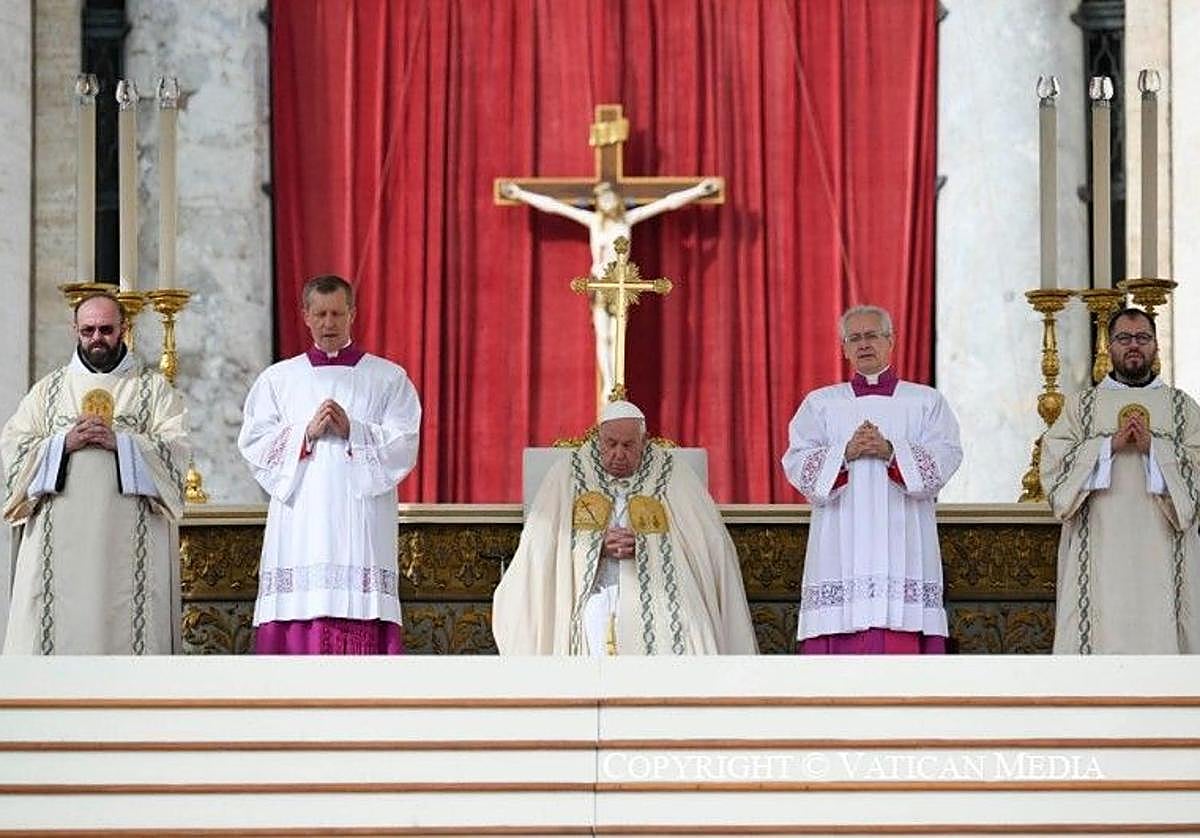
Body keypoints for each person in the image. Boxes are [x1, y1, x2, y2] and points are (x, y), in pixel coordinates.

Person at [238, 274, 421, 654]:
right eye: (320, 314)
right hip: (300, 523)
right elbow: (254, 442)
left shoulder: (387, 378)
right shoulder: (278, 379)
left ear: (352, 314)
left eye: (337, 313)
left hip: (361, 519)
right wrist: (304, 434)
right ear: (305, 315)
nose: (329, 323)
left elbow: (405, 441)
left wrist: (354, 431)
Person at [492, 399, 757, 655]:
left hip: (661, 592)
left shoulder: (674, 475)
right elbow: (539, 548)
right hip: (592, 592)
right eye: (611, 444)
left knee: (683, 624)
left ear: (644, 441)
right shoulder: (568, 474)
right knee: (593, 620)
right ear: (599, 439)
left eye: (629, 445)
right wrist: (596, 547)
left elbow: (708, 545)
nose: (619, 454)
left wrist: (646, 546)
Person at [2, 292, 189, 654]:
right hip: (58, 546)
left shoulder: (152, 391)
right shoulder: (48, 392)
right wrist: (63, 443)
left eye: (106, 329)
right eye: (88, 330)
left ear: (123, 329)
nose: (97, 338)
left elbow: (177, 451)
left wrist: (122, 444)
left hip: (127, 544)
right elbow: (13, 451)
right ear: (75, 330)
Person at [781, 305, 962, 654]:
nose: (864, 344)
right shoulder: (821, 404)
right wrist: (844, 454)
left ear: (890, 341)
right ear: (844, 348)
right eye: (855, 338)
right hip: (839, 536)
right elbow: (797, 461)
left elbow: (946, 455)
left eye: (872, 335)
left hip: (905, 537)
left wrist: (892, 452)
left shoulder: (924, 401)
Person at [1041, 307, 1200, 653]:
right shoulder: (1081, 407)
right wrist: (1107, 447)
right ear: (1109, 348)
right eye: (1124, 338)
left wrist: (1153, 449)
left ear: (1156, 346)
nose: (1133, 346)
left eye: (1142, 338)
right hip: (1099, 551)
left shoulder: (1182, 409)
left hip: (1162, 551)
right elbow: (1054, 478)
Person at [499, 178, 719, 396]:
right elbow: (555, 207)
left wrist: (697, 191)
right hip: (599, 283)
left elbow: (666, 203)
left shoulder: (627, 220)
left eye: (611, 197)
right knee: (602, 335)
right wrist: (520, 194)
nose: (607, 202)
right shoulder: (593, 221)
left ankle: (616, 382)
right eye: (602, 198)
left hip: (620, 284)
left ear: (618, 200)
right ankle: (609, 383)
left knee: (617, 336)